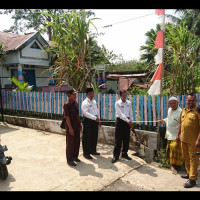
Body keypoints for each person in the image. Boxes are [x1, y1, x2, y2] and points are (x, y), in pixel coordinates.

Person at [176, 93, 200, 188]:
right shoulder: (184, 110)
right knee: (186, 158)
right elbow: (181, 124)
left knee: (194, 160)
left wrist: (198, 140)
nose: (190, 102)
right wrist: (178, 136)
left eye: (192, 100)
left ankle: (193, 179)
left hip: (194, 142)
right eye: (188, 100)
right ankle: (189, 173)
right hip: (184, 139)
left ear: (196, 101)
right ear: (186, 101)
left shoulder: (198, 112)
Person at [158, 97, 183, 175]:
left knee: (175, 148)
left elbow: (182, 124)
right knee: (169, 150)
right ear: (169, 104)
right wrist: (163, 121)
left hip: (177, 134)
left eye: (174, 103)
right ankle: (172, 165)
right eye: (171, 103)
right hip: (169, 133)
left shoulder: (181, 111)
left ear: (177, 103)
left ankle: (176, 166)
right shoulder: (169, 110)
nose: (172, 105)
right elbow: (169, 119)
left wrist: (178, 135)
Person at [112, 90, 134, 163]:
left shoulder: (129, 103)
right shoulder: (117, 103)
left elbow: (130, 113)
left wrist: (131, 121)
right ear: (120, 95)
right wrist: (128, 121)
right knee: (118, 139)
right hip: (120, 121)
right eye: (123, 95)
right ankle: (116, 156)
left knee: (126, 138)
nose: (125, 97)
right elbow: (120, 114)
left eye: (126, 95)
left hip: (127, 122)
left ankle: (124, 153)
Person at [81, 88, 101, 159]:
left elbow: (96, 110)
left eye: (93, 93)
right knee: (87, 137)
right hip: (88, 121)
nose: (92, 95)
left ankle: (93, 150)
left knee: (94, 136)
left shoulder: (94, 101)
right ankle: (86, 153)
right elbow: (85, 113)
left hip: (95, 120)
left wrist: (98, 119)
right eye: (90, 93)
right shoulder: (85, 102)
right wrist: (95, 118)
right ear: (87, 94)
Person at [63, 89, 82, 167]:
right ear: (69, 95)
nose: (75, 95)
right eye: (74, 94)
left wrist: (80, 124)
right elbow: (67, 117)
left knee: (77, 142)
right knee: (70, 143)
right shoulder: (66, 105)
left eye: (75, 94)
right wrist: (70, 128)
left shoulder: (76, 103)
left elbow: (77, 115)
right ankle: (69, 160)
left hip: (76, 125)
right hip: (70, 126)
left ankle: (75, 157)